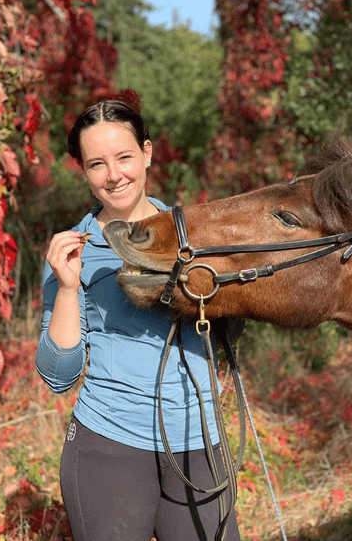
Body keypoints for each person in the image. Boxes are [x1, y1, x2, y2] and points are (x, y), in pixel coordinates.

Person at [35, 99, 241, 541]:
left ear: (147, 152)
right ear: (84, 171)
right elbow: (58, 376)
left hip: (198, 445)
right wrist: (69, 287)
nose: (114, 175)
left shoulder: (198, 240)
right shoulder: (71, 253)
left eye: (125, 157)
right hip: (108, 447)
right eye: (97, 164)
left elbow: (234, 327)